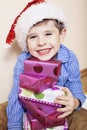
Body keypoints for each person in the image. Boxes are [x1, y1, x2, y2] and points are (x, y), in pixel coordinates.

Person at [6, 0, 87, 130]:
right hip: (32, 112)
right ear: (26, 41)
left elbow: (76, 87)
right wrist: (14, 126)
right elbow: (16, 96)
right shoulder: (23, 61)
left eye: (48, 34)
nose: (41, 42)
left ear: (61, 35)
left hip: (61, 112)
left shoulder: (69, 57)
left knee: (82, 119)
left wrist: (75, 102)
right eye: (33, 37)